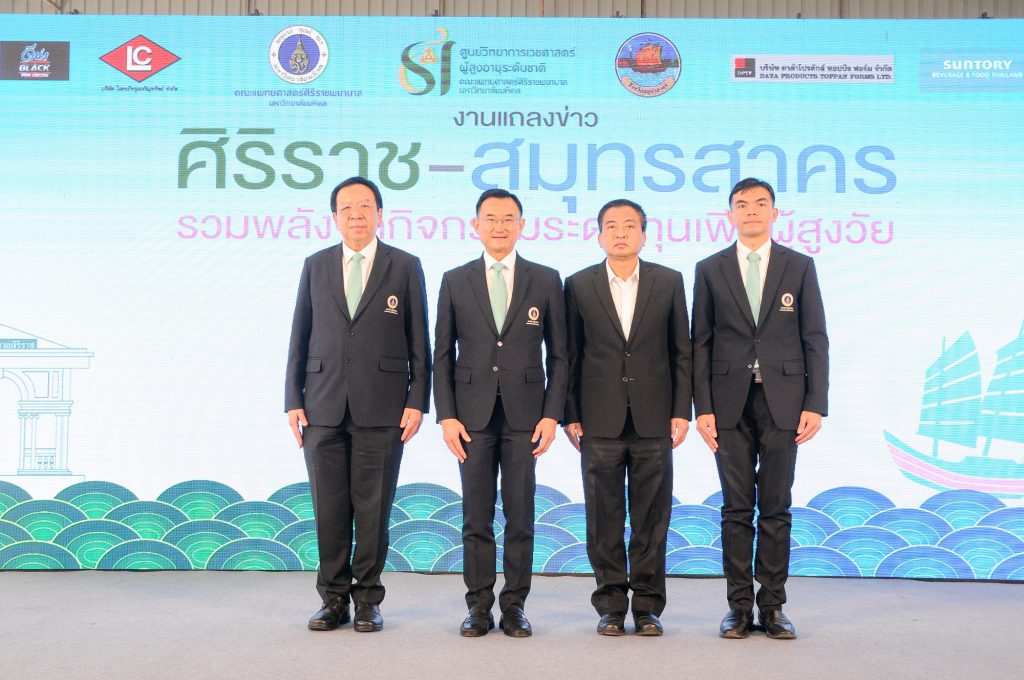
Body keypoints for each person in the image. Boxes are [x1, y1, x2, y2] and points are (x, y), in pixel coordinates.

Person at [285, 176, 431, 633]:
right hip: (322, 406)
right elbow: (300, 333)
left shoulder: (404, 265)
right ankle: (332, 600)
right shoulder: (316, 264)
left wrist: (417, 400)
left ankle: (367, 599)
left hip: (384, 407)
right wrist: (292, 399)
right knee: (329, 511)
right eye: (346, 207)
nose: (356, 214)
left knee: (373, 510)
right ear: (334, 217)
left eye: (365, 206)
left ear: (380, 214)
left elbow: (419, 341)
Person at [691, 177, 829, 640]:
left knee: (776, 507)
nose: (751, 210)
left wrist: (816, 402)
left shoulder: (799, 265)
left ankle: (772, 607)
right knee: (736, 509)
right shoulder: (710, 268)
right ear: (730, 214)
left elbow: (815, 337)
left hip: (784, 402)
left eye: (760, 203)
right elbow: (700, 342)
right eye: (742, 204)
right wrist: (702, 407)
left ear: (774, 212)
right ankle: (737, 608)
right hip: (727, 403)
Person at [434, 188, 568, 638]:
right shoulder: (455, 280)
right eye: (490, 218)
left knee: (520, 516)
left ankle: (514, 606)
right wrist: (446, 416)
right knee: (476, 517)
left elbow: (561, 356)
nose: (499, 226)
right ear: (475, 226)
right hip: (469, 418)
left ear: (521, 225)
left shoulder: (545, 279)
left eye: (508, 218)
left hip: (525, 417)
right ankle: (477, 606)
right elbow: (441, 354)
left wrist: (551, 415)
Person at [563, 198, 692, 637]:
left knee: (651, 519)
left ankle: (649, 607)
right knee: (604, 518)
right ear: (599, 235)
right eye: (612, 226)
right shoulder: (578, 284)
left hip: (655, 418)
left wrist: (681, 410)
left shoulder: (668, 281)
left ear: (644, 234)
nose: (621, 233)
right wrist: (570, 413)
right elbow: (570, 355)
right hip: (597, 418)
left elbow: (681, 350)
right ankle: (611, 606)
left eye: (630, 225)